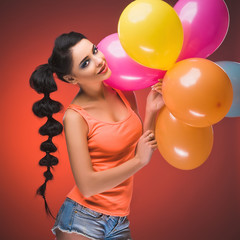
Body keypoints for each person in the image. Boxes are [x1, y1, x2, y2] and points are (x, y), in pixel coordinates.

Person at [29, 31, 164, 240]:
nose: (99, 60)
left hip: (119, 220)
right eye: (85, 63)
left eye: (95, 50)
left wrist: (152, 110)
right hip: (82, 219)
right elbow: (88, 185)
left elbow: (140, 148)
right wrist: (139, 161)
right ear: (71, 78)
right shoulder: (75, 117)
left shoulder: (121, 90)